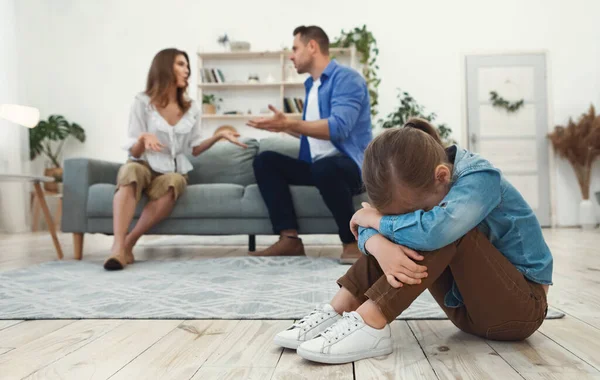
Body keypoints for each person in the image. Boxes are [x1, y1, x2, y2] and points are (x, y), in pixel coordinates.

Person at [273, 118, 554, 364]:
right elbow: (374, 219)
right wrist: (379, 245)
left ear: (442, 176)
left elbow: (425, 230)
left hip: (519, 311)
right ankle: (339, 309)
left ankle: (371, 322)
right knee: (419, 227)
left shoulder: (480, 178)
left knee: (442, 229)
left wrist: (374, 222)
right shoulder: (422, 183)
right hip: (465, 310)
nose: (407, 220)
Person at [104, 48, 246, 271]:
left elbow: (195, 149)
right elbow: (134, 150)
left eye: (187, 66)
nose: (187, 70)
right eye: (181, 64)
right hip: (144, 163)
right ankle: (117, 246)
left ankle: (129, 243)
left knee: (175, 182)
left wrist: (218, 136)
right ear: (164, 67)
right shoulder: (142, 102)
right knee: (129, 172)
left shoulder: (191, 108)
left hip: (171, 168)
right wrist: (143, 137)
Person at [247, 25, 372, 263]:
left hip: (352, 168)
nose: (291, 55)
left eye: (295, 48)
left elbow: (338, 128)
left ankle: (351, 242)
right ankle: (289, 240)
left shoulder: (347, 79)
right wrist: (283, 126)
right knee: (266, 161)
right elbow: (312, 133)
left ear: (312, 46)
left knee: (325, 167)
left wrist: (289, 124)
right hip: (318, 167)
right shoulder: (311, 86)